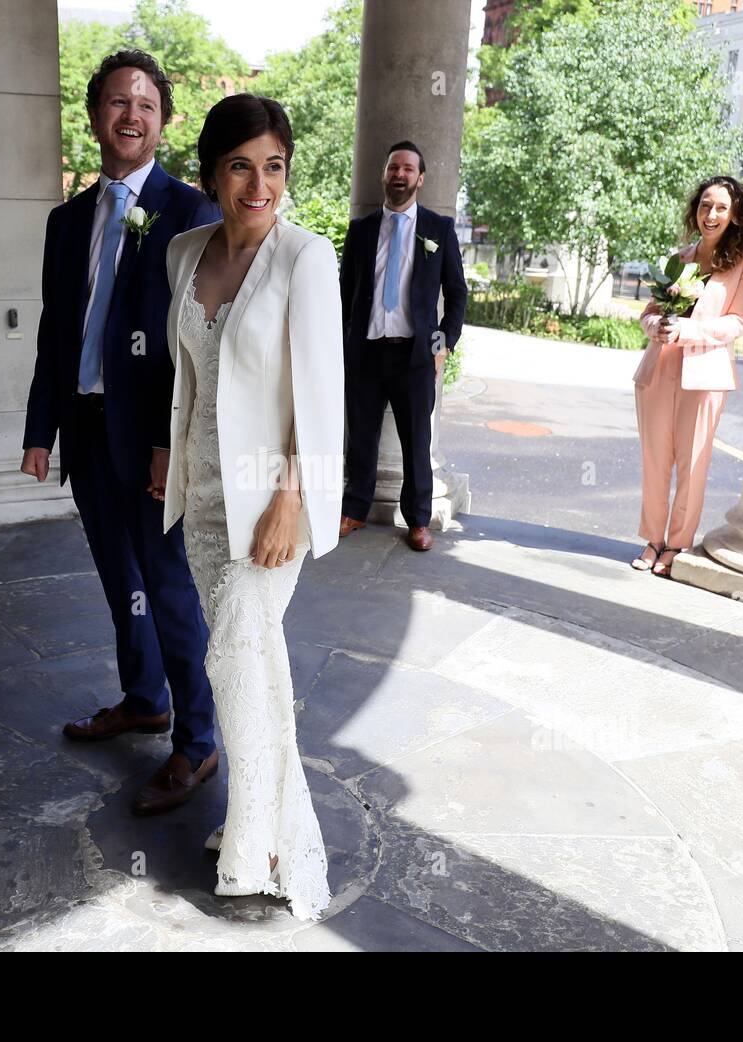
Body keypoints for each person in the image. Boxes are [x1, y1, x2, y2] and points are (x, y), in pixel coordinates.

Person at [19, 50, 222, 815]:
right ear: (95, 114)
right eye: (115, 101)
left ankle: (197, 741)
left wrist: (174, 443)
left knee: (169, 588)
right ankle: (144, 698)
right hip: (87, 430)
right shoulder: (66, 221)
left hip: (154, 443)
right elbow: (54, 330)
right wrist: (42, 428)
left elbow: (192, 343)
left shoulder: (189, 210)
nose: (129, 115)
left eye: (144, 103)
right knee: (119, 581)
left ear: (162, 120)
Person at [160, 93, 343, 921]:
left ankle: (259, 851)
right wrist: (169, 466)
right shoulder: (183, 253)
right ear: (211, 173)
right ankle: (258, 816)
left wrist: (289, 501)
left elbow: (321, 395)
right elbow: (192, 379)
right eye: (241, 165)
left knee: (233, 655)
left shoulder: (307, 259)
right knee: (253, 664)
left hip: (273, 501)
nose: (259, 183)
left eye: (274, 166)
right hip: (201, 500)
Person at [631, 175, 743, 576]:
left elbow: (739, 321)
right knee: (655, 460)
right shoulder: (681, 258)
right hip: (658, 371)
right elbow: (649, 314)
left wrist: (687, 332)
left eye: (721, 207)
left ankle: (676, 544)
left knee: (693, 464)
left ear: (735, 213)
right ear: (696, 210)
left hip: (705, 376)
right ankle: (652, 539)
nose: (711, 214)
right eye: (706, 205)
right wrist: (656, 327)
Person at [337, 141, 468, 551]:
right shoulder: (361, 229)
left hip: (414, 355)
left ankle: (417, 520)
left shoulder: (438, 230)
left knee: (416, 443)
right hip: (367, 351)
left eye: (408, 169)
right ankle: (354, 510)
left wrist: (444, 340)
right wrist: (339, 342)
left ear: (420, 178)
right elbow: (344, 293)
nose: (400, 174)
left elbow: (457, 292)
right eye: (394, 167)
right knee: (361, 436)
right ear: (384, 174)